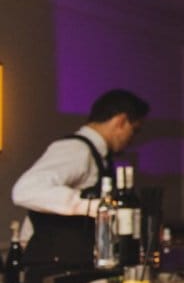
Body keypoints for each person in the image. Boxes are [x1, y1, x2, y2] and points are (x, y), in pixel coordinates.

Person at [12, 89, 149, 267]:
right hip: (55, 270)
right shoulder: (76, 150)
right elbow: (25, 191)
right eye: (135, 130)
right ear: (121, 121)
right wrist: (91, 206)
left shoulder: (99, 157)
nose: (133, 139)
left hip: (74, 266)